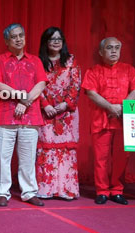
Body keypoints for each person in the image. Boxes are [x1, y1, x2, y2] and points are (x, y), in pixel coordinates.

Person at [0, 23, 47, 207]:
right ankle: (2, 192)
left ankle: (29, 192)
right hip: (5, 116)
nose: (19, 39)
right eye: (14, 36)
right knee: (2, 158)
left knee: (28, 158)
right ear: (7, 41)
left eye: (21, 35)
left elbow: (41, 84)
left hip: (30, 117)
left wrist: (25, 102)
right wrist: (21, 96)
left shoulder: (35, 60)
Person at [81, 37, 135, 205]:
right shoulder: (93, 71)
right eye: (109, 48)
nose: (114, 51)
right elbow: (91, 93)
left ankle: (116, 190)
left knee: (122, 157)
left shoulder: (128, 69)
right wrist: (110, 107)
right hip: (101, 120)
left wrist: (121, 107)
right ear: (101, 52)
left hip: (123, 120)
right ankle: (101, 191)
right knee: (101, 158)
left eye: (117, 47)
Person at [36, 27, 81, 200]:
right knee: (46, 150)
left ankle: (66, 189)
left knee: (66, 151)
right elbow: (36, 85)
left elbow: (75, 85)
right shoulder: (38, 62)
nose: (56, 42)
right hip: (45, 112)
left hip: (67, 113)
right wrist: (45, 104)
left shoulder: (71, 61)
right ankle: (46, 189)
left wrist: (65, 104)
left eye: (59, 39)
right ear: (45, 42)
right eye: (52, 39)